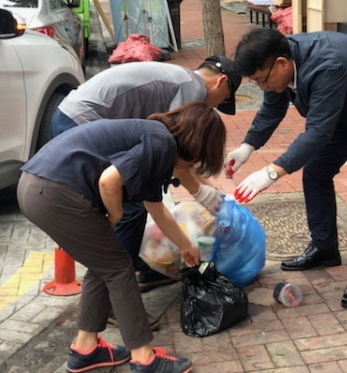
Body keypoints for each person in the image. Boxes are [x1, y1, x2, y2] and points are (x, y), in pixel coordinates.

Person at [17, 102, 225, 373]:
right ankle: (144, 358)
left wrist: (186, 245)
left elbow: (157, 209)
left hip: (35, 187)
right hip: (55, 191)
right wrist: (114, 216)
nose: (193, 165)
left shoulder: (155, 142)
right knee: (118, 267)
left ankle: (86, 348)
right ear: (196, 143)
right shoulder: (161, 143)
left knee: (104, 265)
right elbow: (108, 181)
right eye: (198, 158)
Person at [225, 28, 347, 309]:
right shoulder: (280, 66)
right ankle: (325, 248)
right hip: (345, 112)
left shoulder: (326, 64)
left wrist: (271, 172)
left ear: (282, 64)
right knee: (316, 171)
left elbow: (318, 132)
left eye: (262, 80)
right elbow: (272, 109)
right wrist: (247, 146)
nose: (262, 87)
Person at [51, 57, 241, 327]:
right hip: (79, 123)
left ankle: (144, 270)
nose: (216, 107)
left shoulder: (182, 79)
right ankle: (113, 302)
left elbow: (179, 157)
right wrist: (203, 194)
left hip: (74, 118)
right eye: (224, 99)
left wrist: (209, 191)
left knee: (136, 201)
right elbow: (179, 151)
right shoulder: (193, 89)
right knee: (129, 208)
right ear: (221, 82)